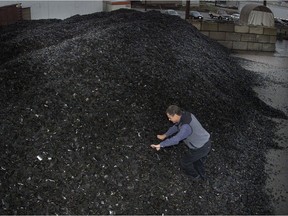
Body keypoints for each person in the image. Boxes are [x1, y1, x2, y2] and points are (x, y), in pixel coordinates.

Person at [151, 105, 211, 180]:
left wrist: (161, 145)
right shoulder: (185, 115)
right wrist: (165, 135)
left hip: (201, 147)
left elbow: (176, 139)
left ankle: (196, 177)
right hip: (204, 141)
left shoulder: (186, 127)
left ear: (175, 115)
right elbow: (176, 126)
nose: (169, 119)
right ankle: (202, 175)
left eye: (170, 117)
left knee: (185, 162)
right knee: (197, 161)